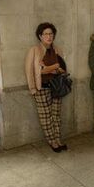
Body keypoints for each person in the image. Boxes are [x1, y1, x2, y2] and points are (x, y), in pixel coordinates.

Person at [26, 22, 68, 152]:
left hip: (56, 87)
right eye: (45, 34)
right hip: (41, 88)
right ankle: (52, 141)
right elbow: (32, 71)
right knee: (45, 117)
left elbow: (63, 69)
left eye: (51, 34)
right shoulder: (35, 50)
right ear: (40, 36)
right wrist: (33, 88)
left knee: (56, 116)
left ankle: (58, 139)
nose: (49, 36)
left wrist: (50, 69)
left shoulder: (57, 50)